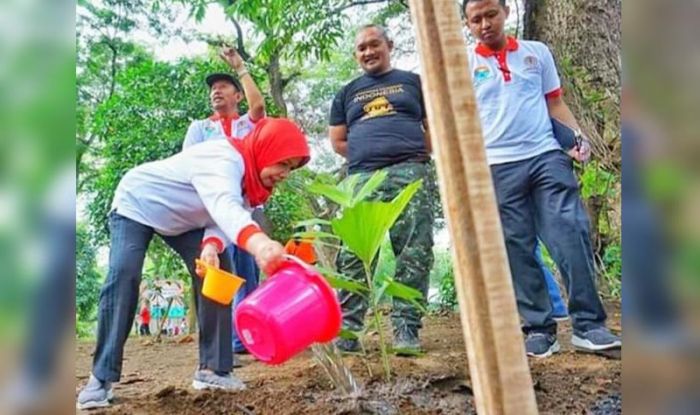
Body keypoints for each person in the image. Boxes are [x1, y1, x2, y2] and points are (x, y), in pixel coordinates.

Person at [76, 118, 310, 409]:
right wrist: (260, 244)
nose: (285, 173)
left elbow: (223, 219)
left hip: (184, 222)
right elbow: (223, 205)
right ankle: (100, 379)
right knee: (124, 274)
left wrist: (211, 244)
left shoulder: (252, 185)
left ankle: (213, 369)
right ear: (266, 149)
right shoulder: (225, 158)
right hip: (138, 204)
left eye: (291, 167)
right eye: (282, 163)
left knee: (218, 269)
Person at [462, 0, 620, 357]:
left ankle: (588, 325)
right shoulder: (464, 65)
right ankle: (539, 328)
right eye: (476, 19)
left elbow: (556, 103)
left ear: (504, 12)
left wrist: (577, 138)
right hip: (496, 165)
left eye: (490, 15)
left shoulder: (537, 53)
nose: (485, 24)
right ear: (468, 24)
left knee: (569, 231)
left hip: (545, 155)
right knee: (516, 246)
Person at [329, 24, 435, 355]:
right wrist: (369, 153)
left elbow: (435, 126)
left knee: (414, 250)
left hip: (411, 171)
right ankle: (348, 330)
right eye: (361, 48)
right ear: (356, 54)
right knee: (354, 254)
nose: (368, 52)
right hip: (362, 178)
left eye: (374, 45)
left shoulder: (413, 82)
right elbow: (338, 141)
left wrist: (414, 150)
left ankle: (406, 329)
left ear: (389, 45)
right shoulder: (347, 92)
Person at [182, 46, 267, 355]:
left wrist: (240, 67)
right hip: (213, 214)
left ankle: (244, 339)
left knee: (248, 274)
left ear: (237, 96)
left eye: (223, 88)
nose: (215, 92)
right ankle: (219, 345)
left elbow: (259, 106)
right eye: (213, 89)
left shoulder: (246, 124)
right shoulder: (200, 128)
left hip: (246, 209)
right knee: (219, 272)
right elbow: (188, 167)